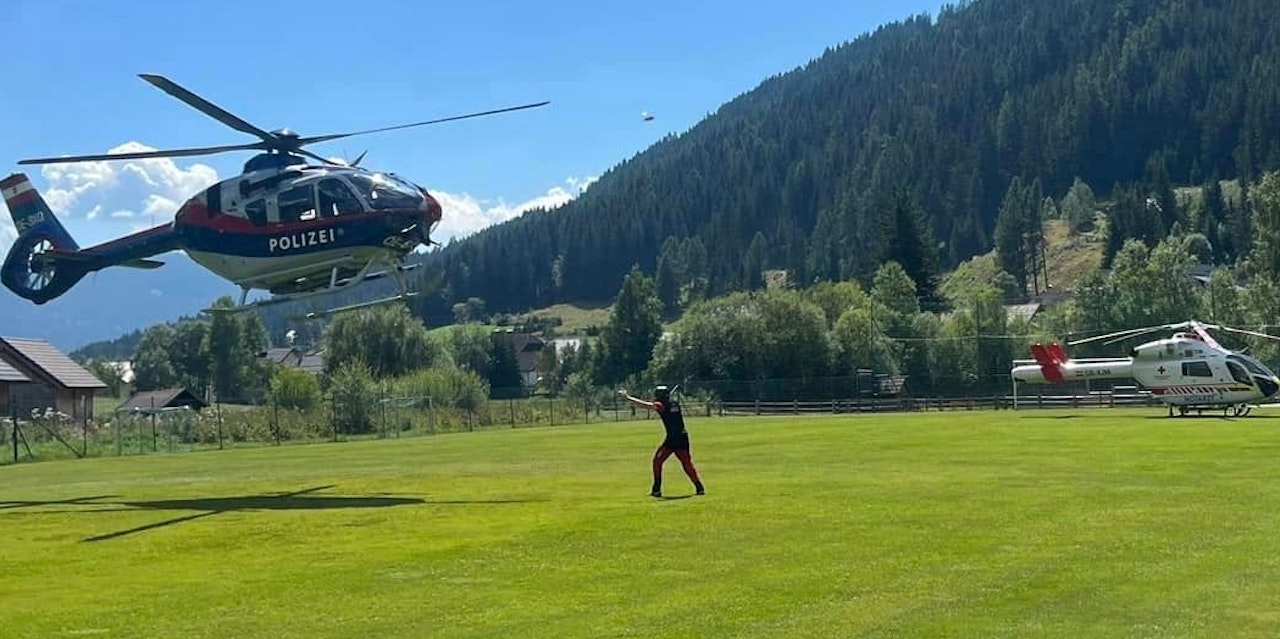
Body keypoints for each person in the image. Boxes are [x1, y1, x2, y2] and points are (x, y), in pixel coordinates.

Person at [618, 385, 705, 497]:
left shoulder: (661, 405)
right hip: (683, 437)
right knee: (687, 463)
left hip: (672, 439)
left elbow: (647, 405)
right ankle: (699, 487)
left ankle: (657, 489)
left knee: (657, 462)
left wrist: (628, 397)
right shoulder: (675, 404)